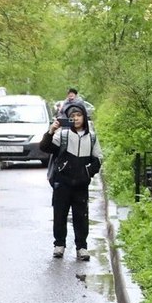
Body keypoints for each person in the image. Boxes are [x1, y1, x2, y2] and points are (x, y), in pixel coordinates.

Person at [40, 102, 102, 261]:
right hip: (62, 183)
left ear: (84, 117)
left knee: (81, 217)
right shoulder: (63, 135)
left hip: (81, 185)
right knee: (60, 214)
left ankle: (82, 247)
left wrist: (87, 172)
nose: (76, 119)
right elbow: (45, 147)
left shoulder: (92, 137)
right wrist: (51, 131)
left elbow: (98, 159)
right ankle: (59, 245)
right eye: (72, 116)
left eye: (78, 115)